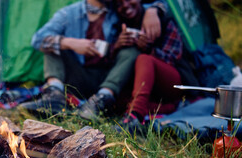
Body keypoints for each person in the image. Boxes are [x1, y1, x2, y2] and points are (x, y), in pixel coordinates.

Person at [19, 0, 167, 119]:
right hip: (76, 77)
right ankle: (54, 96)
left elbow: (148, 5)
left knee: (131, 50)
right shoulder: (69, 14)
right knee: (52, 44)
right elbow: (38, 39)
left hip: (108, 78)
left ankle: (102, 101)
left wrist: (153, 10)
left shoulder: (118, 9)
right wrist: (70, 42)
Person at [114, 0, 184, 132]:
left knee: (144, 59)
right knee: (117, 99)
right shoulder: (117, 25)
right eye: (119, 4)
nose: (125, 5)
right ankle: (167, 108)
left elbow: (174, 58)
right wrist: (117, 46)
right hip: (144, 90)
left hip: (171, 82)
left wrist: (149, 49)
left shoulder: (162, 19)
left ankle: (135, 115)